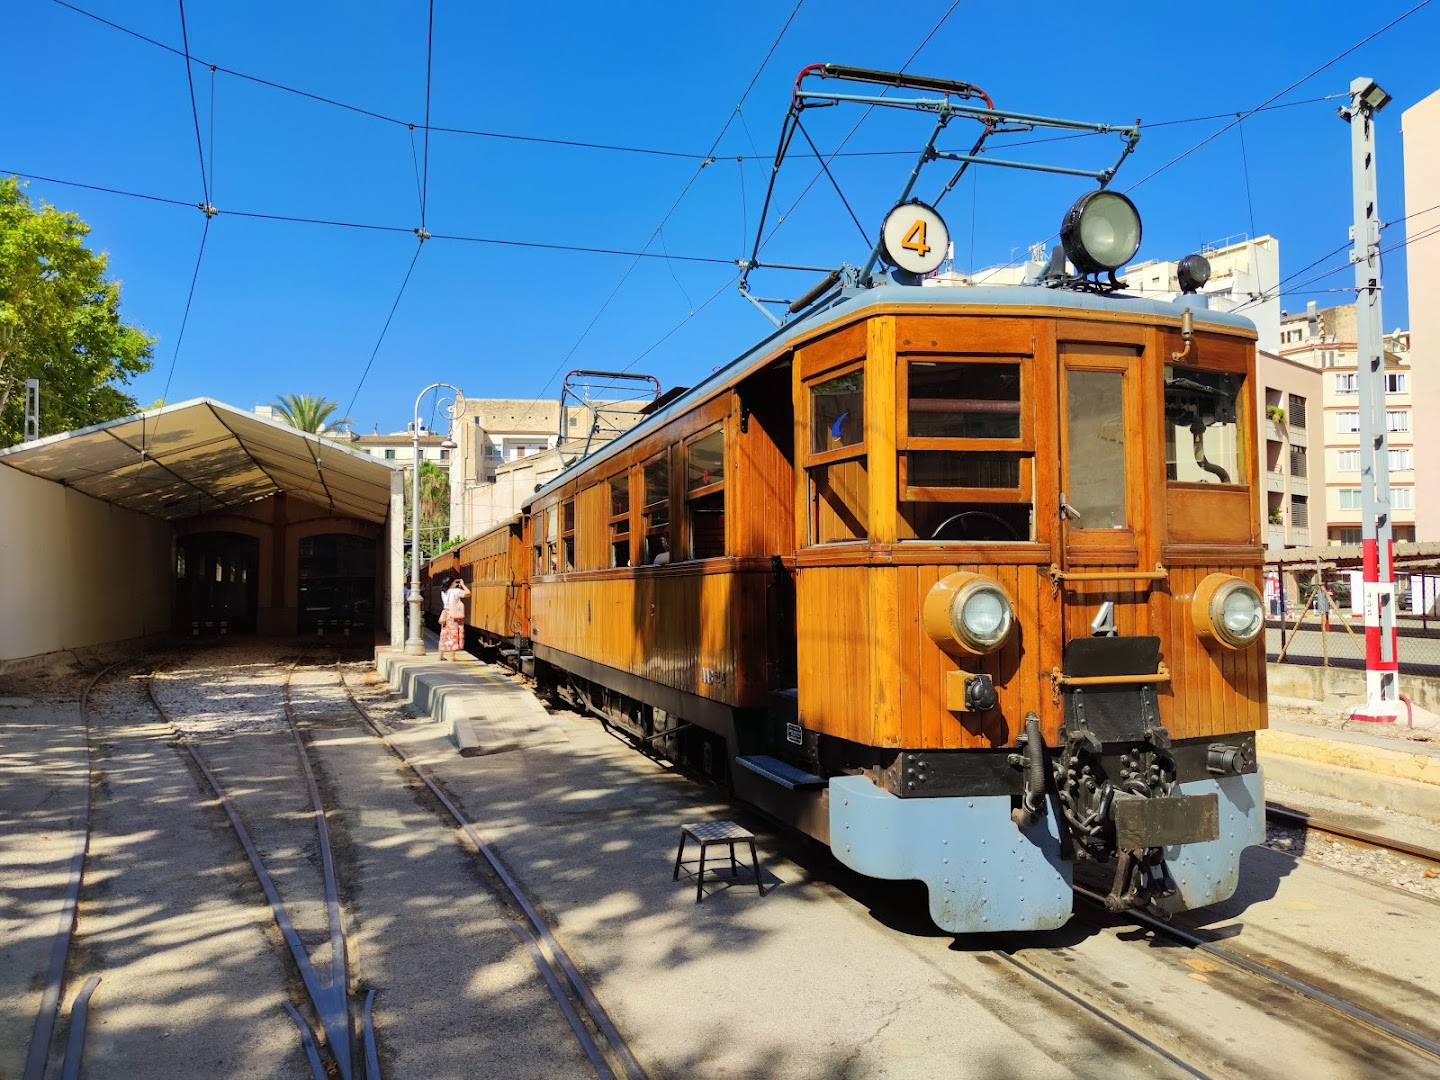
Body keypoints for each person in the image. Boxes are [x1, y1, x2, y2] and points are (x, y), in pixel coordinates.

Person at [438, 575, 469, 661]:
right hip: (454, 615)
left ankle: (441, 655)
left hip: (446, 615)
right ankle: (452, 656)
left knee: (444, 635)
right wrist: (462, 584)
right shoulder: (456, 591)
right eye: (454, 581)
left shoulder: (443, 592)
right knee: (453, 635)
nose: (456, 583)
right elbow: (468, 593)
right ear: (451, 583)